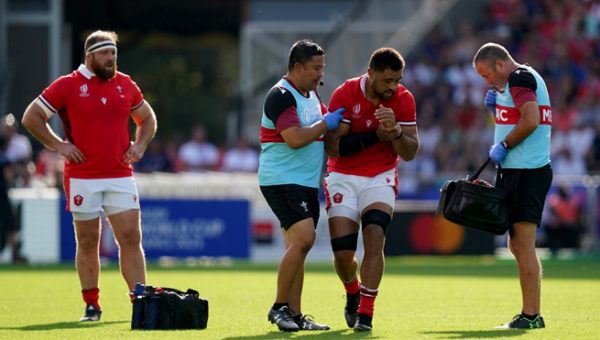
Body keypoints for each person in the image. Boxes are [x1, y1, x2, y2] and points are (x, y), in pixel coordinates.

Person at [21, 30, 157, 322]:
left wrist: (140, 145)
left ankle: (141, 302)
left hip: (120, 174)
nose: (112, 59)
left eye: (114, 54)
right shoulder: (67, 85)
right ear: (90, 55)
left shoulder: (125, 84)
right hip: (83, 176)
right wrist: (59, 145)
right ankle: (92, 305)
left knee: (131, 238)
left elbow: (147, 118)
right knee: (88, 241)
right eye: (106, 54)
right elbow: (32, 117)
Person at [323, 47, 419, 332]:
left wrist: (397, 134)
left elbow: (411, 151)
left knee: (375, 234)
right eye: (387, 80)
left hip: (381, 175)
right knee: (343, 255)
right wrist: (375, 135)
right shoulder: (345, 93)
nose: (393, 87)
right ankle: (352, 290)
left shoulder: (403, 99)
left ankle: (366, 313)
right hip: (342, 175)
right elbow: (333, 147)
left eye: (397, 80)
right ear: (371, 73)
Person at [258, 39, 344, 332]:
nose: (321, 73)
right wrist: (326, 124)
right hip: (282, 179)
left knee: (298, 247)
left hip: (304, 183)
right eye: (316, 68)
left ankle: (294, 315)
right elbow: (294, 138)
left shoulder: (312, 97)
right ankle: (279, 307)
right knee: (305, 239)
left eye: (323, 67)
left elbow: (325, 139)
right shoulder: (281, 95)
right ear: (297, 67)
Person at [473, 42, 552, 329]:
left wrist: (503, 145)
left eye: (487, 75)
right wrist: (498, 111)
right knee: (517, 243)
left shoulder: (519, 77)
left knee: (522, 243)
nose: (487, 81)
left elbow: (530, 120)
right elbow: (518, 118)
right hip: (518, 170)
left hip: (526, 170)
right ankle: (531, 313)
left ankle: (531, 315)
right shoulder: (513, 84)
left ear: (499, 64)